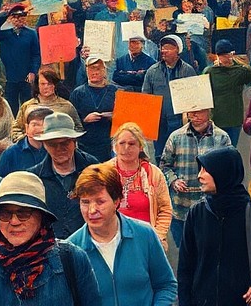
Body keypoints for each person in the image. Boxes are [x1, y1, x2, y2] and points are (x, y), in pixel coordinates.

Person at [0, 170, 102, 305]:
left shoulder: (71, 258)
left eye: (23, 213)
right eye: (5, 213)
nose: (14, 221)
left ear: (41, 217)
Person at [177, 147, 251, 306]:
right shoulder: (196, 213)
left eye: (206, 170)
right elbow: (185, 267)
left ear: (223, 173)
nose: (199, 176)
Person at [67, 163, 178, 305]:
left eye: (100, 201)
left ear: (116, 201)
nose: (92, 210)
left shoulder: (145, 234)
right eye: (85, 202)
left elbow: (166, 285)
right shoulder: (72, 250)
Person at [159, 107, 231, 249]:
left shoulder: (222, 138)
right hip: (181, 208)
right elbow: (164, 165)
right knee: (185, 251)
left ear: (209, 111)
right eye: (191, 111)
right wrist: (173, 180)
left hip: (212, 208)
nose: (194, 115)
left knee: (210, 252)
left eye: (199, 111)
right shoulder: (176, 137)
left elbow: (229, 169)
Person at [29, 111, 97, 238]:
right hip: (47, 247)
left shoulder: (93, 169)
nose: (59, 149)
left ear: (74, 141)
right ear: (44, 144)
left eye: (65, 143)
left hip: (86, 243)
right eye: (53, 144)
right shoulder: (34, 178)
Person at [106, 121, 172, 247]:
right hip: (112, 243)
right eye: (122, 143)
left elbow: (165, 209)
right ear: (115, 146)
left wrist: (156, 238)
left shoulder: (154, 173)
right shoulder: (104, 172)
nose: (126, 148)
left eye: (131, 144)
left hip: (147, 242)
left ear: (141, 147)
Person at [142, 34, 198, 156]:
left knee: (180, 154)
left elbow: (195, 98)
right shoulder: (152, 71)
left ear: (177, 49)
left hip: (180, 122)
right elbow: (145, 97)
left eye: (168, 47)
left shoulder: (188, 70)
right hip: (160, 123)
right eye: (162, 47)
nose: (163, 51)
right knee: (160, 155)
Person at [204, 39, 251, 145]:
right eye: (223, 56)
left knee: (231, 149)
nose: (226, 58)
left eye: (228, 55)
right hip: (216, 119)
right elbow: (203, 93)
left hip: (234, 119)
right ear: (217, 56)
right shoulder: (209, 72)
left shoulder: (241, 71)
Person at [12, 67, 83, 143]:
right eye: (42, 84)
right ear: (38, 85)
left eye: (49, 84)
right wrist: (27, 140)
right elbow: (16, 130)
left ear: (55, 85)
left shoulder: (67, 106)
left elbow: (78, 129)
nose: (46, 87)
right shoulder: (27, 106)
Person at [71, 57, 119, 163]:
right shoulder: (78, 93)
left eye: (97, 69)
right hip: (84, 144)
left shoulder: (114, 91)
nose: (94, 72)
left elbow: (123, 118)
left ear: (104, 70)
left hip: (107, 144)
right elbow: (72, 120)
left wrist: (113, 117)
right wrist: (85, 120)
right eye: (90, 69)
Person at [0, 5, 41, 110]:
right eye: (15, 16)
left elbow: (36, 54)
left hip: (26, 78)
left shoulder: (31, 33)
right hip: (8, 78)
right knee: (11, 106)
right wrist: (4, 14)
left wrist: (33, 71)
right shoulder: (3, 34)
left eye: (22, 16)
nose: (18, 19)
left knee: (28, 105)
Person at [0, 105, 53, 177]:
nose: (40, 129)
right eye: (35, 125)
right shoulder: (11, 153)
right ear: (27, 128)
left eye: (45, 125)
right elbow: (0, 182)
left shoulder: (57, 151)